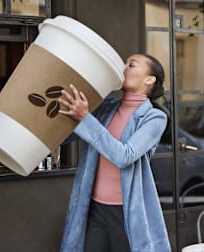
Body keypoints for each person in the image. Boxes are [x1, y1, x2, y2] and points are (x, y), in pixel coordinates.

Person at [58, 54, 171, 252]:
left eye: (131, 65)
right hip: (94, 207)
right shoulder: (107, 108)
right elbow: (67, 135)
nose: (124, 67)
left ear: (149, 79)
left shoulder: (154, 118)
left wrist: (85, 119)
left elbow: (124, 156)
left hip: (126, 211)